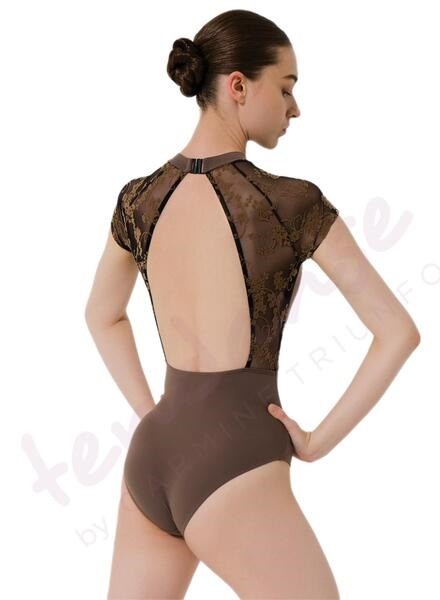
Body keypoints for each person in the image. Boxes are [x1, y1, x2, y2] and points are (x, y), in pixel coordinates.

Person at [85, 9, 421, 600]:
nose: (295, 108)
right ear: (239, 85)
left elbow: (102, 315)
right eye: (286, 88)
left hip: (152, 458)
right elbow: (398, 331)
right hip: (236, 459)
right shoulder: (289, 203)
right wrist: (314, 441)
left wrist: (153, 414)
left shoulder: (138, 200)